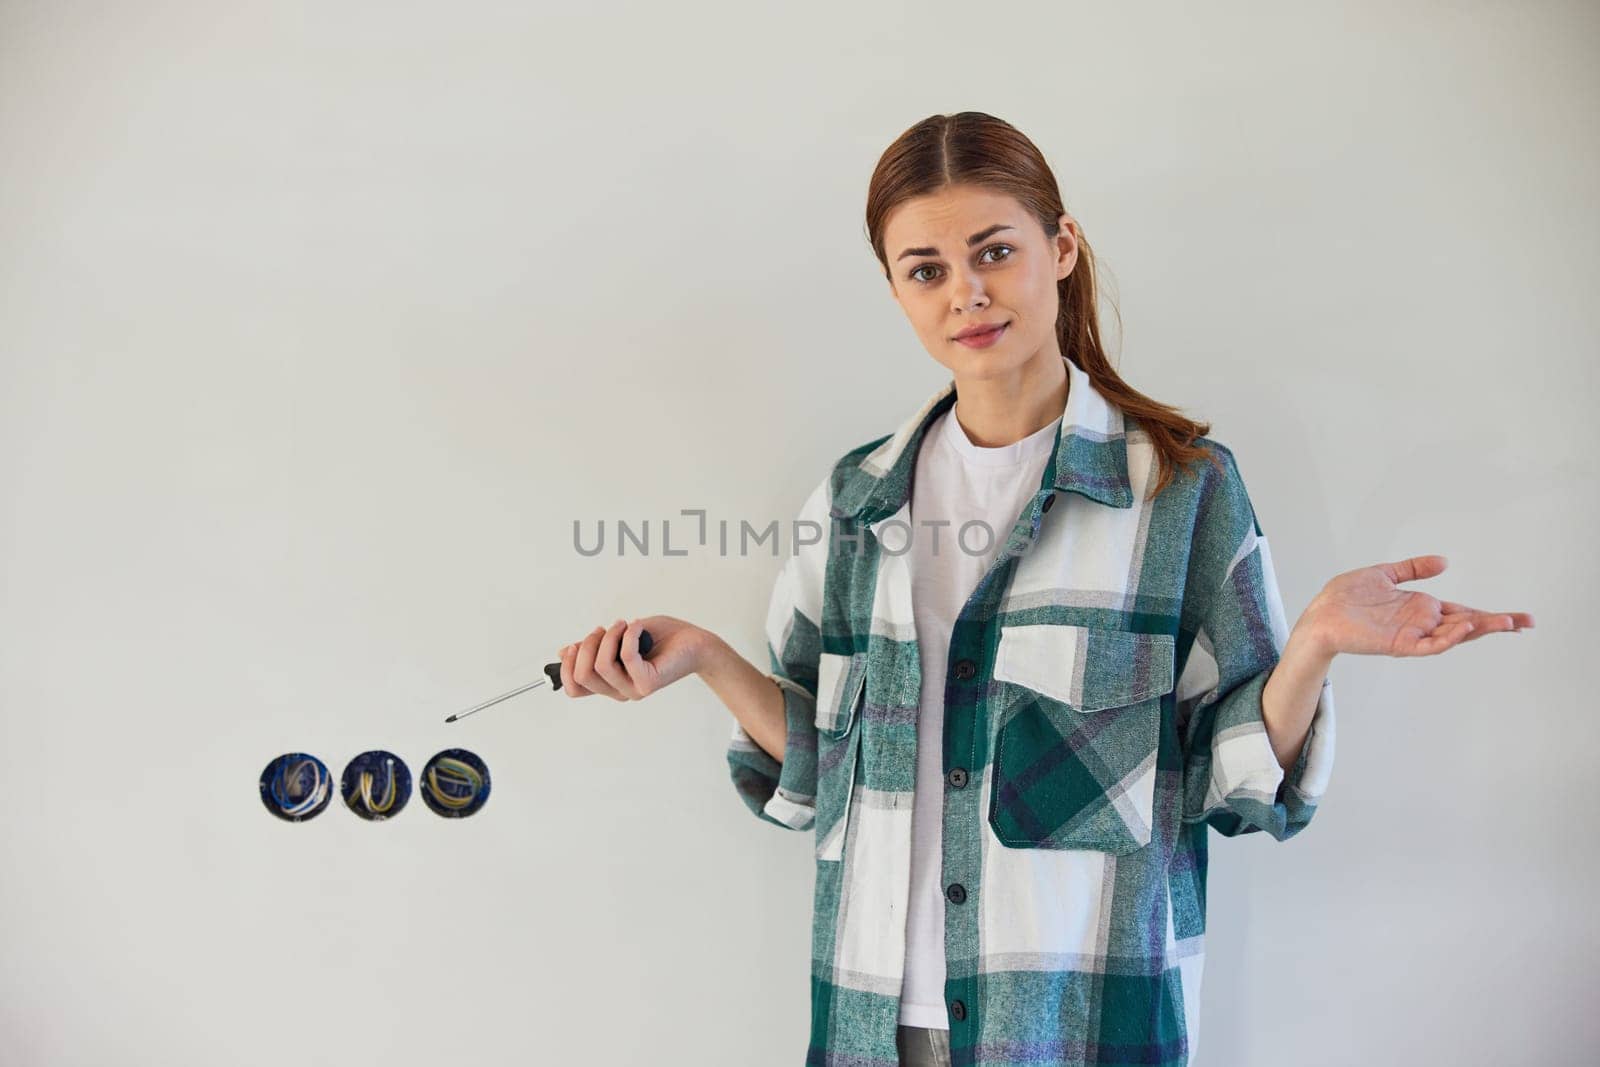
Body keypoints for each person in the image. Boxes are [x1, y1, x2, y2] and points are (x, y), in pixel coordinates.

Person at [552, 112, 1535, 1067]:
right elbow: (817, 775)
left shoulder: (1179, 492)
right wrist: (705, 659)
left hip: (1079, 1022)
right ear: (894, 291)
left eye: (993, 252)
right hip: (874, 1024)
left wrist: (1312, 642)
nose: (965, 293)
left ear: (1059, 247)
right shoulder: (854, 503)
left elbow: (1231, 784)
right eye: (925, 270)